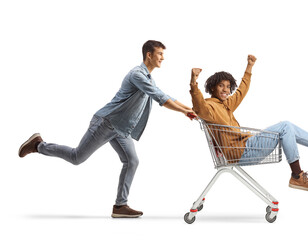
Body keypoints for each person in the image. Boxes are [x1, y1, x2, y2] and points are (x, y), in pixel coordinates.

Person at [18, 40, 196, 218]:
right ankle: (39, 145)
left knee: (132, 161)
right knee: (77, 157)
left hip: (121, 129)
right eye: (160, 54)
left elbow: (167, 96)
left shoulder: (149, 77)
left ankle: (120, 206)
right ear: (149, 55)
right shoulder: (137, 75)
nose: (162, 58)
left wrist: (190, 110)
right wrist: (183, 112)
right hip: (106, 123)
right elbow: (160, 98)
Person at [189, 55, 308, 191]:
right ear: (212, 87)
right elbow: (198, 107)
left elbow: (241, 91)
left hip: (246, 145)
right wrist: (194, 82)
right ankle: (299, 173)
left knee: (289, 127)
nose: (225, 90)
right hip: (242, 152)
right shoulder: (209, 107)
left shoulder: (227, 104)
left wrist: (249, 67)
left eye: (228, 87)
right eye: (221, 86)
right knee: (286, 126)